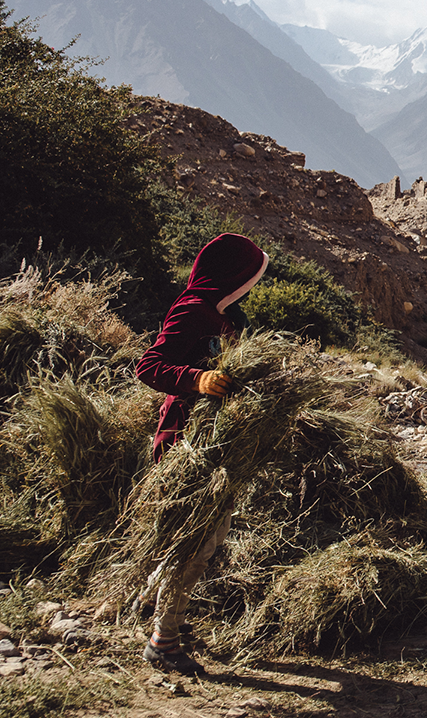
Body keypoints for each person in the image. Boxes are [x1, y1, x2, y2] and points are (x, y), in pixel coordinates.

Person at [135, 232, 269, 676]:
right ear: (231, 275)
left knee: (207, 536)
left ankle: (150, 601)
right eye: (248, 277)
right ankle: (164, 640)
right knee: (196, 540)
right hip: (184, 443)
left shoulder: (230, 320)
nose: (250, 286)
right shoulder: (192, 309)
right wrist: (197, 380)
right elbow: (149, 366)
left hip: (218, 444)